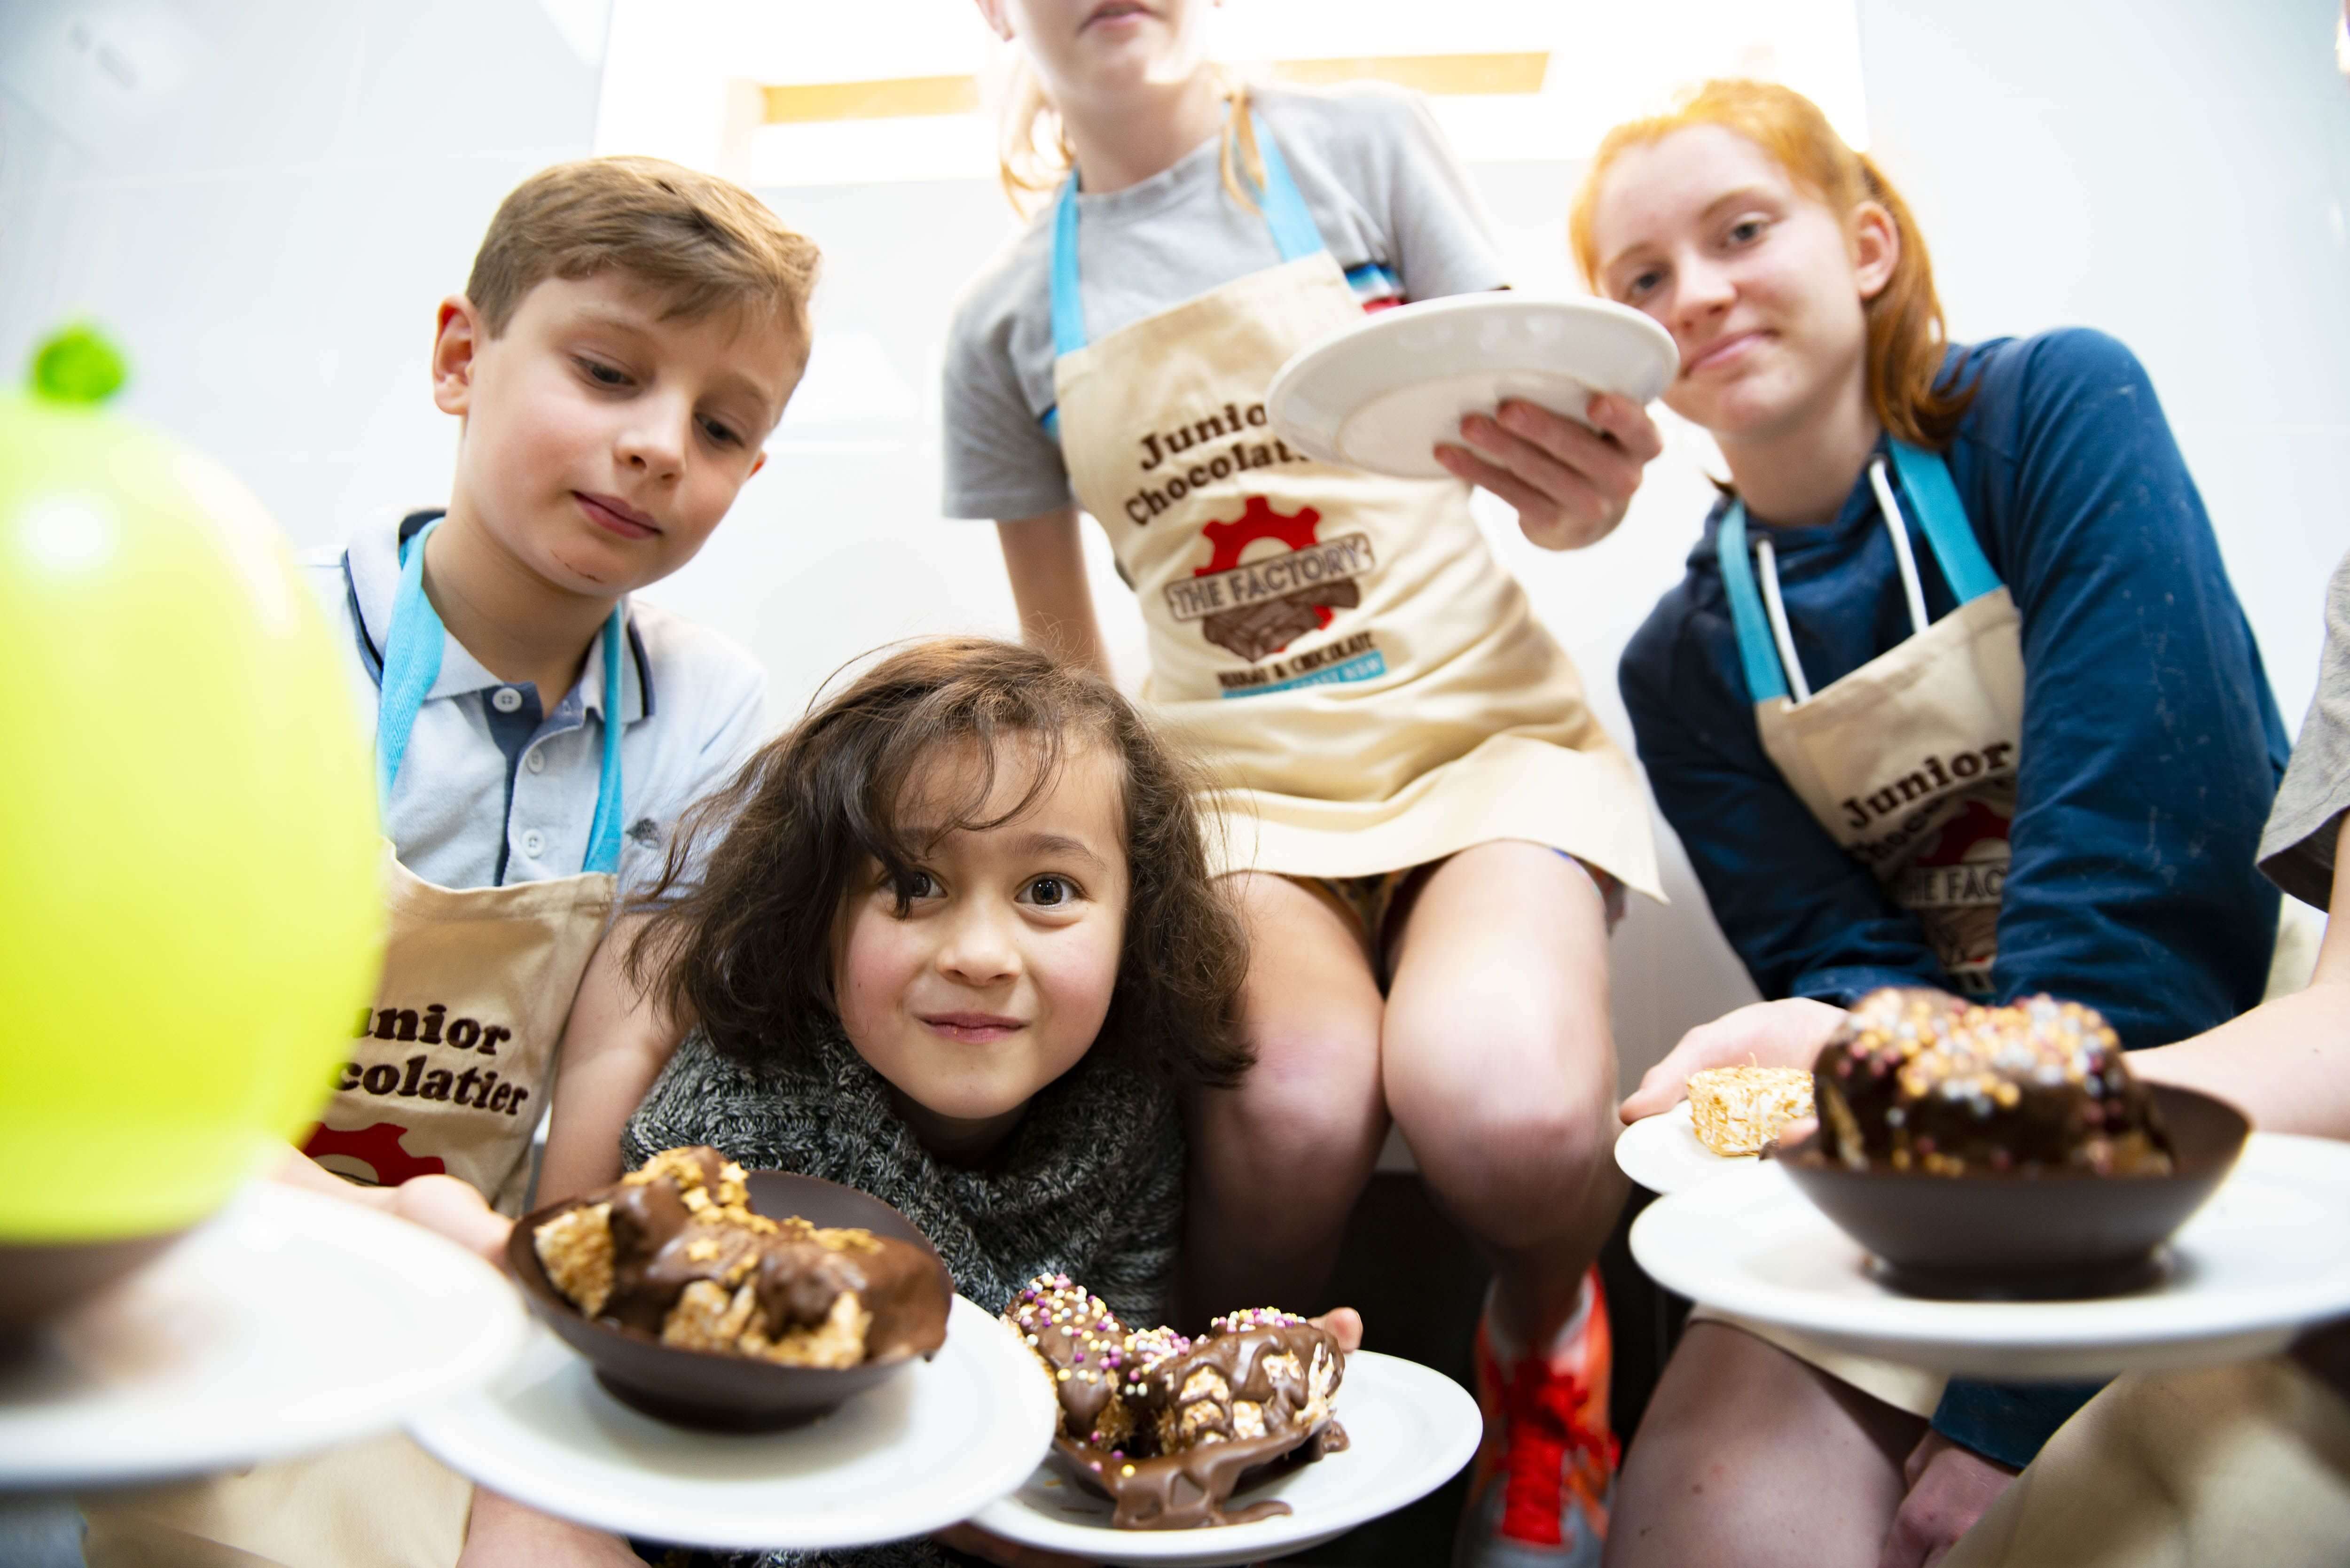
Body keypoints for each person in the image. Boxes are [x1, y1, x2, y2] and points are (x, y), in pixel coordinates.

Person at [942, 6, 1666, 1560]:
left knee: (1512, 1109)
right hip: (1243, 794)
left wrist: (1586, 495)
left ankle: (1549, 1358)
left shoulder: (1363, 146)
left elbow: (1549, 465)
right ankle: (1219, 1437)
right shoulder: (998, 330)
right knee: (1290, 1109)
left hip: (1487, 744)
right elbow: (1068, 674)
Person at [1572, 79, 2289, 1568]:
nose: (1694, 293)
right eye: (1641, 280)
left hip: (2213, 1063)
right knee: (1705, 1510)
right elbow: (1841, 965)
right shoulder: (1680, 666)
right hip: (1931, 1108)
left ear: (1869, 246)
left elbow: (2149, 889)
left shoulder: (2058, 417)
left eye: (1741, 231)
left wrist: (2008, 1395)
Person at [79, 155, 819, 1568]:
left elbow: (614, 1058)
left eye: (723, 426)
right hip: (171, 1245)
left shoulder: (707, 712)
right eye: (608, 373)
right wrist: (370, 1228)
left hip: (460, 1290)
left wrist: (562, 1313)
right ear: (461, 359)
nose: (661, 445)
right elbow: (103, 1077)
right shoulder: (248, 632)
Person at [522, 635, 1355, 1568]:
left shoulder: (1126, 1106)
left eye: (1048, 890)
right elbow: (728, 1496)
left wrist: (1232, 1413)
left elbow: (1110, 1401)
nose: (980, 955)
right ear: (817, 919)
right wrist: (963, 1520)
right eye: (914, 885)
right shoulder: (724, 1137)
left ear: (1137, 926)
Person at [1932, 548, 2350, 1567]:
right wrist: (1921, 1083)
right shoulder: (1680, 662)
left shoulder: (2064, 452)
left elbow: (2129, 927)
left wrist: (2005, 1401)